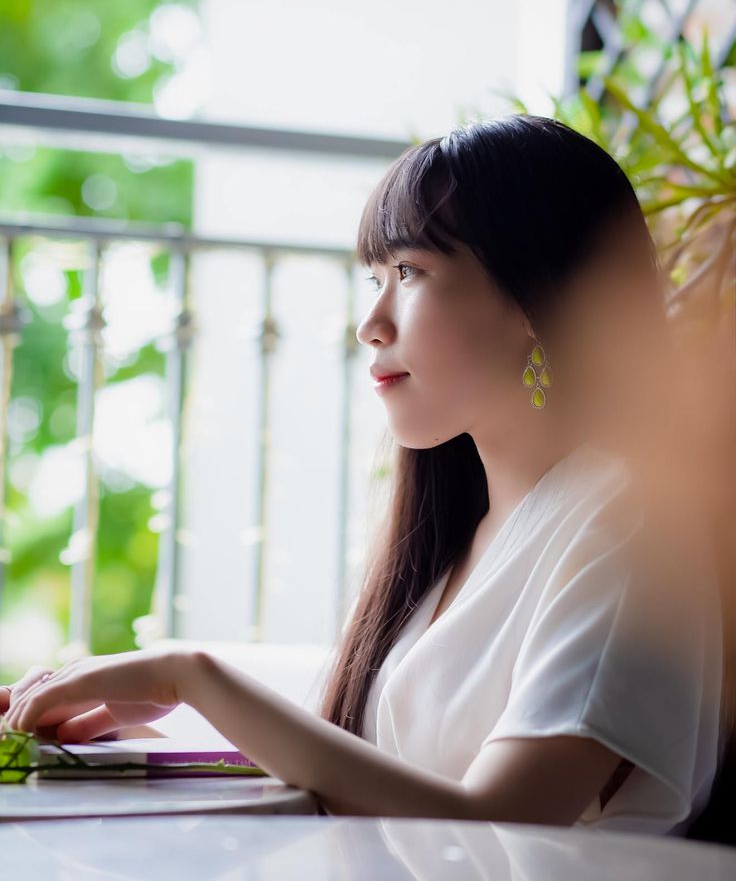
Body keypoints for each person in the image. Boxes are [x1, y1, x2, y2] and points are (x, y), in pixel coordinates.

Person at [0, 115, 727, 832]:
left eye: (410, 272)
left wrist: (191, 676)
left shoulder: (629, 524)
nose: (370, 322)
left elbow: (500, 826)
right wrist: (127, 743)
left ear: (538, 298)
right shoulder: (466, 537)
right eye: (375, 277)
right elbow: (371, 789)